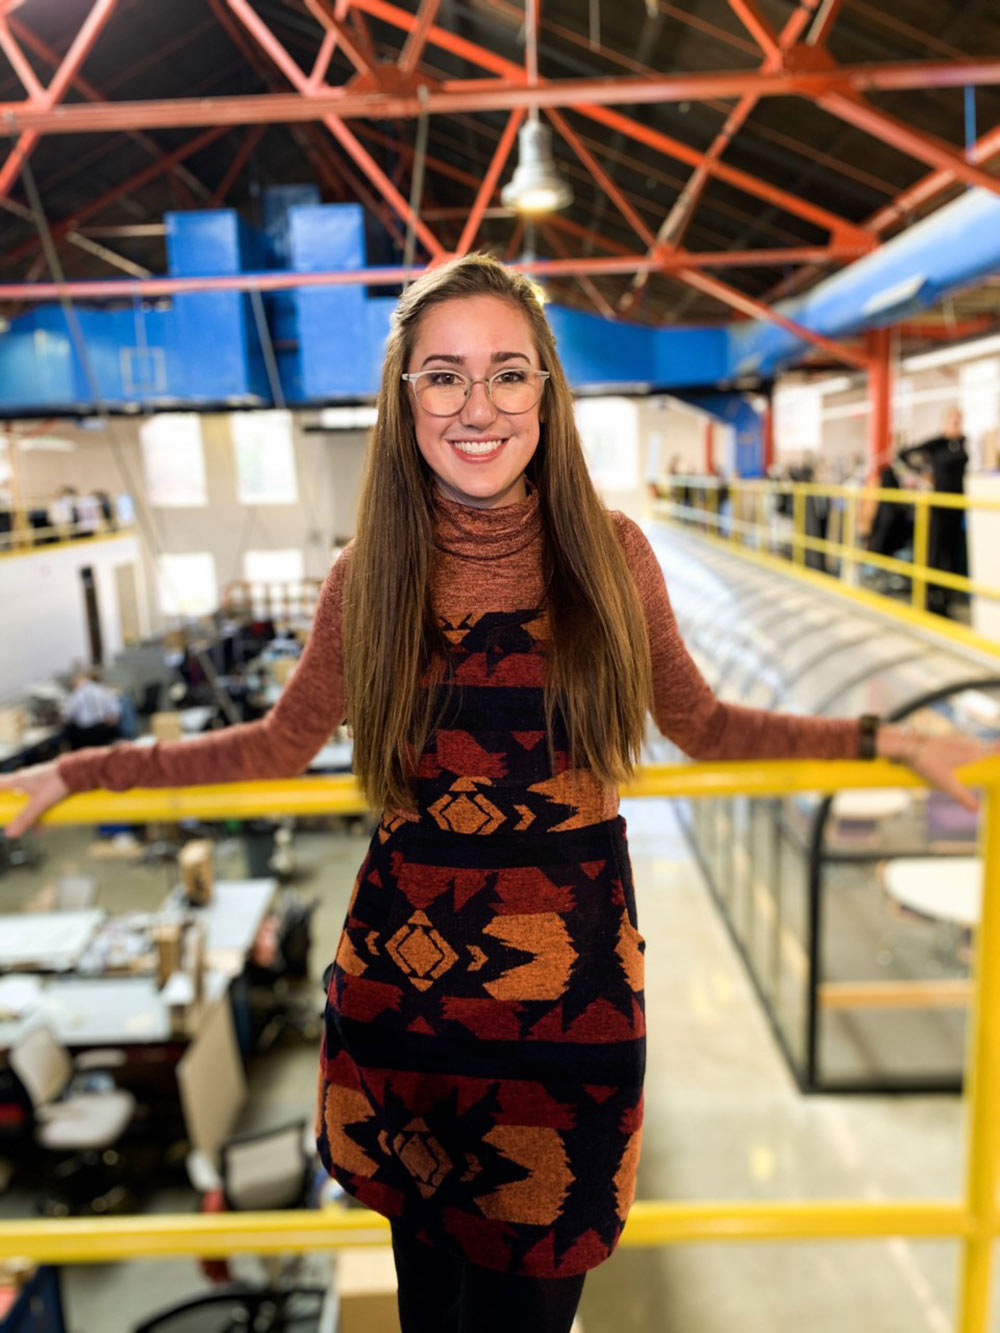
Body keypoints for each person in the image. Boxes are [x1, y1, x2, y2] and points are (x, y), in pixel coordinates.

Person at [0, 255, 994, 1333]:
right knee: (432, 1316)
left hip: (567, 1007)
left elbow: (705, 725)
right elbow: (276, 743)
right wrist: (72, 768)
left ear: (545, 393)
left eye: (507, 373)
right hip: (406, 1007)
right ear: (404, 399)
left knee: (533, 1312)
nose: (478, 406)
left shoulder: (611, 556)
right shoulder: (367, 571)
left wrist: (882, 732)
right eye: (443, 376)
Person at [898, 406, 969, 617]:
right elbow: (904, 455)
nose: (956, 425)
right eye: (952, 421)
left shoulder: (964, 442)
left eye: (959, 421)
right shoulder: (936, 444)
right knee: (935, 553)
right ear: (945, 423)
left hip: (957, 507)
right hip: (939, 507)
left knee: (951, 553)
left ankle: (946, 600)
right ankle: (930, 599)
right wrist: (922, 475)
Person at [61, 668, 122, 750]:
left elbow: (67, 716)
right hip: (102, 730)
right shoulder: (101, 689)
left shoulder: (77, 693)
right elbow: (115, 712)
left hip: (84, 734)